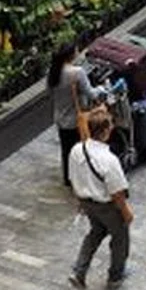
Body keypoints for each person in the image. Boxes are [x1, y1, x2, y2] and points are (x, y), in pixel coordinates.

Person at [66, 105, 132, 290]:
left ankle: (79, 271)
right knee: (120, 238)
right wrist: (126, 212)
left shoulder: (77, 150)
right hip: (107, 206)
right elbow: (117, 192)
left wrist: (80, 201)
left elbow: (73, 177)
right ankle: (116, 274)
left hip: (87, 203)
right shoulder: (108, 159)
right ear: (104, 131)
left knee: (95, 233)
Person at [48, 43, 101, 186]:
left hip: (60, 118)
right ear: (71, 55)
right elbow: (90, 93)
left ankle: (68, 177)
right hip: (75, 119)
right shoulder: (77, 73)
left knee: (66, 150)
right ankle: (80, 179)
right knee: (80, 150)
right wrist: (102, 89)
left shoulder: (54, 71)